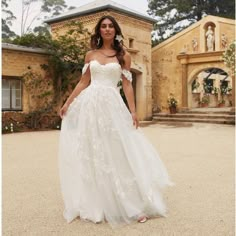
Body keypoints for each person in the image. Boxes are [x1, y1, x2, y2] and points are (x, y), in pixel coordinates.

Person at [58, 15, 174, 228]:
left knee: (117, 150)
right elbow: (84, 82)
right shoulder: (90, 54)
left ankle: (128, 203)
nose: (107, 29)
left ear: (116, 30)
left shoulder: (123, 55)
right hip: (90, 106)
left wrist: (133, 111)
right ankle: (97, 203)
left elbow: (127, 85)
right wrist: (67, 103)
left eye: (111, 26)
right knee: (93, 151)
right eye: (104, 26)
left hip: (112, 106)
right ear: (99, 30)